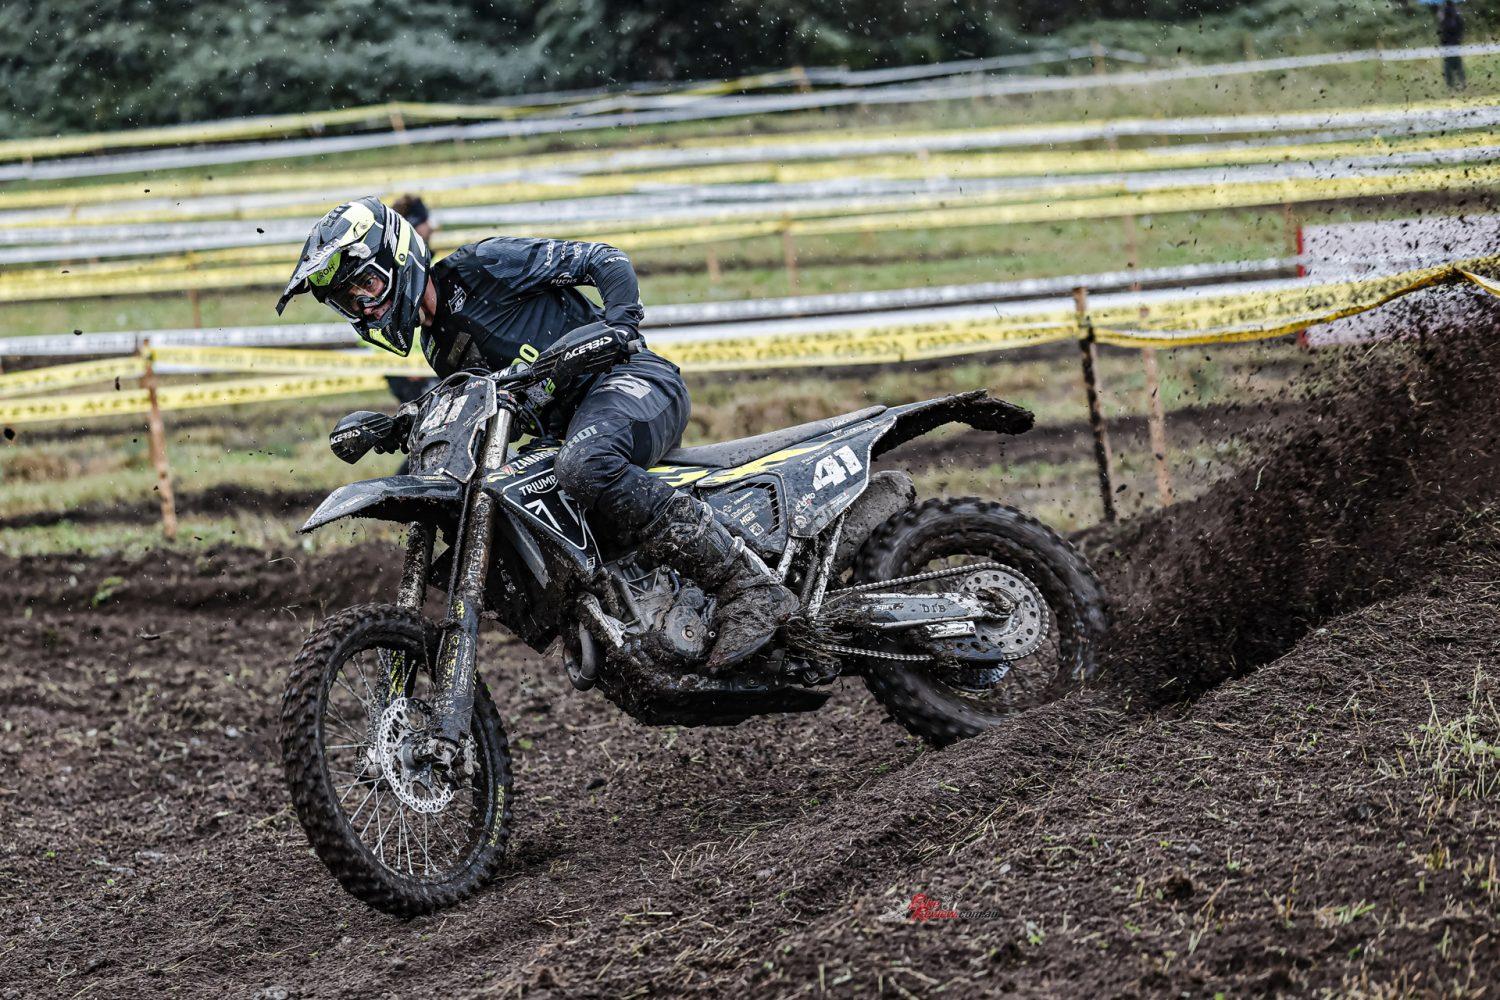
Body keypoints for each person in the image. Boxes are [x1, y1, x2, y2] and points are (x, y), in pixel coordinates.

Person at [275, 196, 798, 671]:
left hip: (628, 378)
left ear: (399, 257)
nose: (366, 306)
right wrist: (399, 426)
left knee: (583, 465)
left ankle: (747, 586)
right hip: (566, 428)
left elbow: (604, 260)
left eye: (367, 285)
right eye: (350, 301)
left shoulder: (482, 266)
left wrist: (620, 323)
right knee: (520, 501)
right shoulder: (438, 347)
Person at [384, 194, 438, 406]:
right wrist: (406, 364)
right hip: (411, 370)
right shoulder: (397, 274)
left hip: (430, 363)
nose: (431, 227)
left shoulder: (430, 262)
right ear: (416, 226)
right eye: (426, 221)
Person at [1438, 1, 1466, 90]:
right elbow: (1461, 29)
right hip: (1455, 43)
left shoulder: (1446, 17)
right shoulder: (1457, 17)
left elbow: (1442, 32)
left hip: (1448, 44)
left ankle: (1451, 85)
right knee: (1457, 64)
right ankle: (1461, 82)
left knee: (1448, 65)